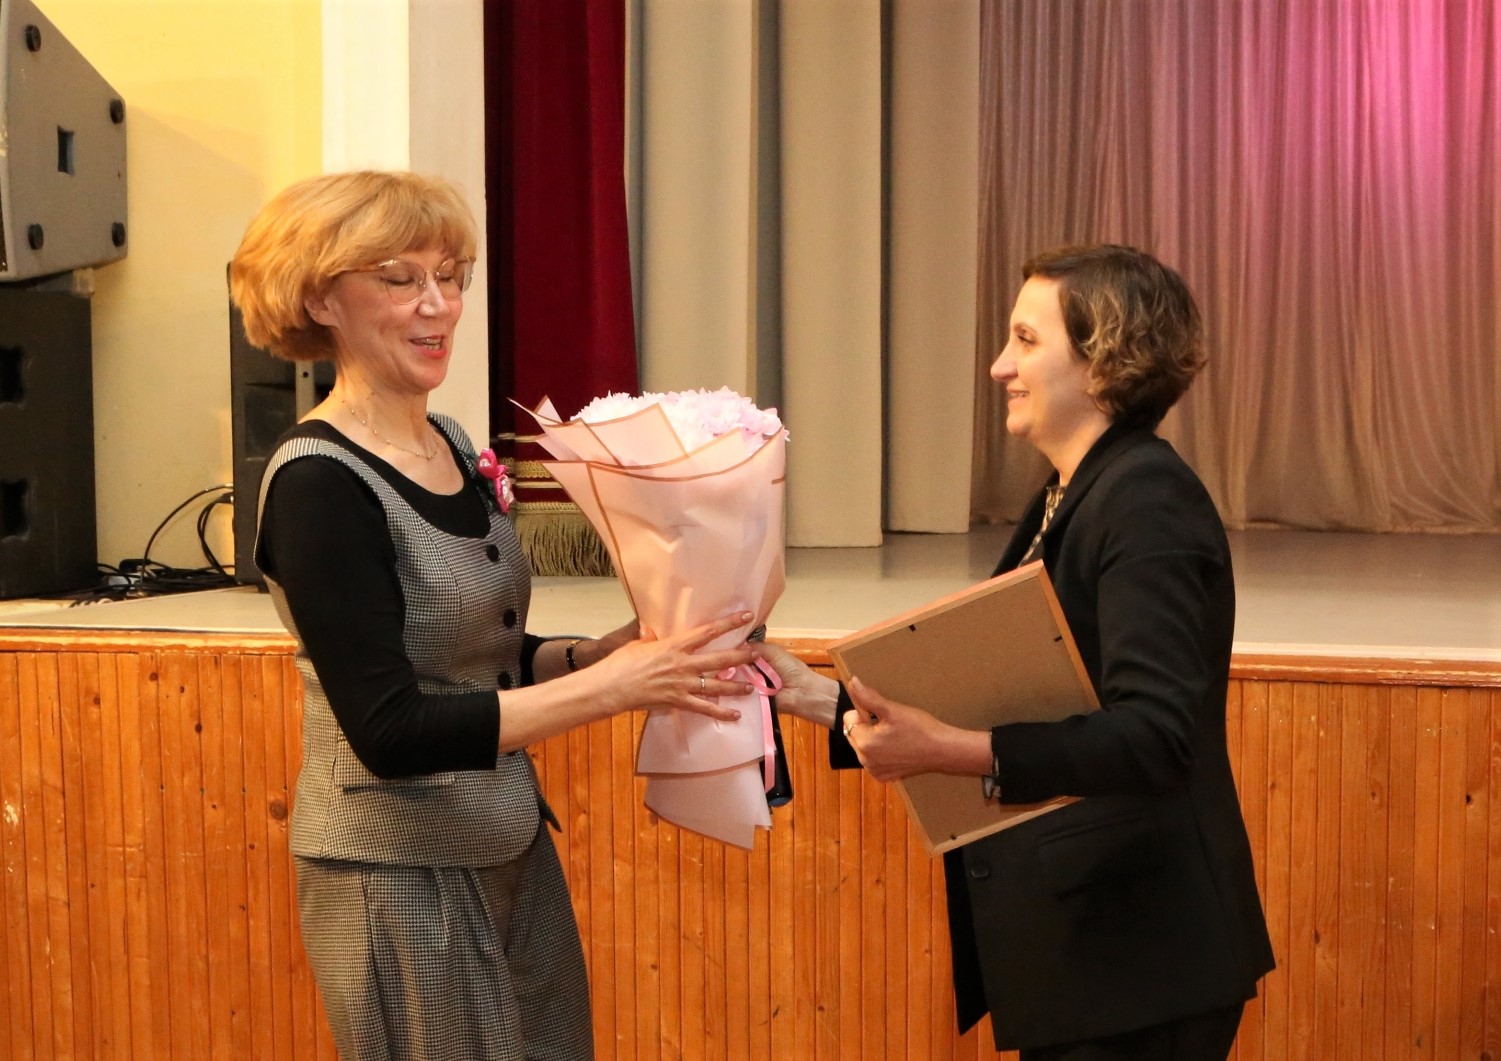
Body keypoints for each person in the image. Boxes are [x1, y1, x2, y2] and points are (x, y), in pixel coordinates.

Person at [229, 170, 758, 1061]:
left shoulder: (451, 443)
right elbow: (391, 728)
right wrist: (617, 689)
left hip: (506, 842)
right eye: (398, 279)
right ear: (319, 299)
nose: (437, 304)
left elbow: (481, 652)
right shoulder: (318, 481)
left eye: (451, 275)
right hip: (399, 872)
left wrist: (602, 653)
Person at [764, 244, 1274, 1060]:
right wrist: (815, 697)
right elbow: (1017, 695)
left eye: (1026, 340)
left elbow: (1154, 735)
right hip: (1096, 954)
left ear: (1105, 362)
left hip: (1141, 958)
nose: (999, 365)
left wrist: (948, 749)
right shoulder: (1072, 492)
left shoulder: (1144, 499)